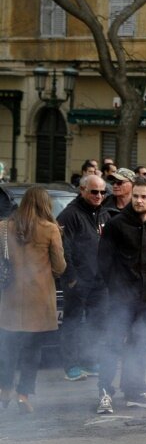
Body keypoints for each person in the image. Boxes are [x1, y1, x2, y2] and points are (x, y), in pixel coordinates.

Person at [96, 177, 146, 413]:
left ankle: (133, 389)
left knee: (140, 345)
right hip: (121, 299)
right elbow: (103, 261)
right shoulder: (117, 225)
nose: (138, 200)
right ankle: (105, 391)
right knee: (112, 345)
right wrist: (115, 290)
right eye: (135, 196)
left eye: (144, 196)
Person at [0, 187, 66, 413]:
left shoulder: (4, 227)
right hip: (38, 299)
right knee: (32, 351)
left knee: (7, 348)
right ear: (44, 204)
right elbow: (59, 266)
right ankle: (23, 395)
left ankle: (4, 390)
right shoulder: (50, 229)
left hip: (9, 298)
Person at [57, 175, 111, 382]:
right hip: (78, 280)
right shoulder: (69, 215)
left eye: (102, 192)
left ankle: (89, 360)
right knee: (73, 324)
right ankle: (71, 365)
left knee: (97, 323)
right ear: (82, 190)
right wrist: (71, 278)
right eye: (94, 191)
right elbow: (63, 249)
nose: (99, 195)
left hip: (100, 280)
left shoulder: (104, 213)